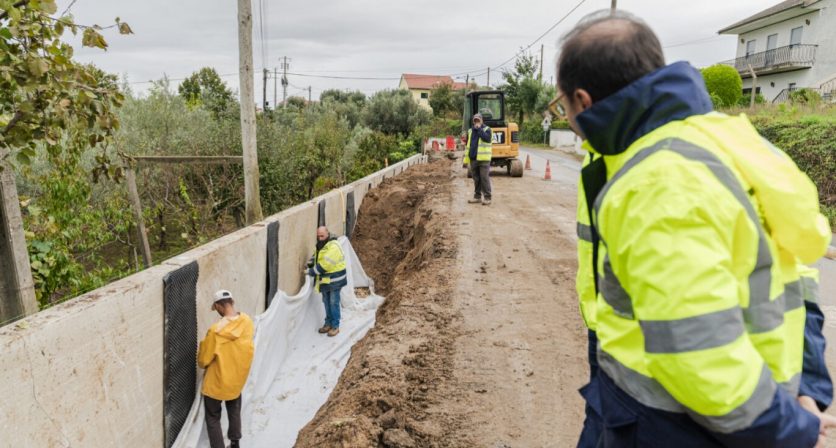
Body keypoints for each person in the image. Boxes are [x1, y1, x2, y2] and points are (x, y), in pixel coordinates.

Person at [557, 10, 835, 447]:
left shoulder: (658, 182)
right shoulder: (732, 141)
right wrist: (808, 390)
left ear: (583, 101)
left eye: (564, 106)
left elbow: (699, 351)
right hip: (714, 399)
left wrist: (792, 430)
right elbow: (795, 274)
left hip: (671, 420)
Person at [197, 290, 255, 448]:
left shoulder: (216, 331)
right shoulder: (247, 321)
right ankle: (235, 443)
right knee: (234, 410)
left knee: (213, 418)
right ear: (232, 302)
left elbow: (203, 361)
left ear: (218, 306)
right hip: (237, 380)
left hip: (216, 383)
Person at [307, 226, 347, 337]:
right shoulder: (321, 244)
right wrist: (309, 263)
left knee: (333, 302)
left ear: (328, 234)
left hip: (335, 279)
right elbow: (317, 256)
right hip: (325, 280)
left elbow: (325, 264)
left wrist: (310, 271)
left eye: (322, 236)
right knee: (326, 301)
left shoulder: (333, 246)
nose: (320, 238)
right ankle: (328, 323)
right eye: (318, 236)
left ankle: (335, 326)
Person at [463, 113, 493, 205]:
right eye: (475, 120)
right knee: (476, 179)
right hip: (473, 158)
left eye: (478, 120)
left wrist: (479, 129)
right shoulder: (470, 131)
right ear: (473, 121)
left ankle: (487, 198)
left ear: (481, 120)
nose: (476, 122)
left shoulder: (487, 129)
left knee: (484, 178)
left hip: (483, 159)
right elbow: (468, 144)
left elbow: (487, 139)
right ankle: (477, 197)